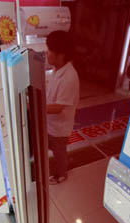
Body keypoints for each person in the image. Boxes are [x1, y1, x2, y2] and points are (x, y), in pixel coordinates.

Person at [45, 30, 80, 185]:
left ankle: (61, 174)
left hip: (59, 127)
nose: (46, 53)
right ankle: (62, 163)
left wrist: (34, 107)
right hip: (51, 123)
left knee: (59, 151)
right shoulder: (57, 69)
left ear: (60, 55)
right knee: (55, 149)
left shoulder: (69, 77)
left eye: (49, 50)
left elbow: (58, 107)